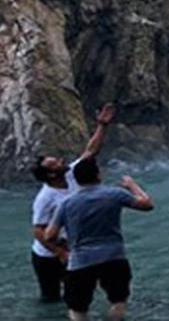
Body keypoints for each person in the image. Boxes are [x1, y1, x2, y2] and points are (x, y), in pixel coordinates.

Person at [44, 158, 155, 321]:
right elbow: (147, 205)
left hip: (80, 261)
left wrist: (65, 246)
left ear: (77, 180)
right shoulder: (114, 194)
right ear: (98, 175)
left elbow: (49, 236)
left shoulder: (67, 204)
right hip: (114, 257)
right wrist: (132, 186)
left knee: (77, 308)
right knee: (118, 301)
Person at [29, 103, 117, 304]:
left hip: (73, 247)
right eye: (56, 163)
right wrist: (59, 252)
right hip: (47, 255)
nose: (61, 161)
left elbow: (90, 151)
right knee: (50, 299)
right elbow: (37, 230)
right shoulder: (45, 198)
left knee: (78, 295)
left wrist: (102, 126)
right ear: (51, 174)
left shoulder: (71, 174)